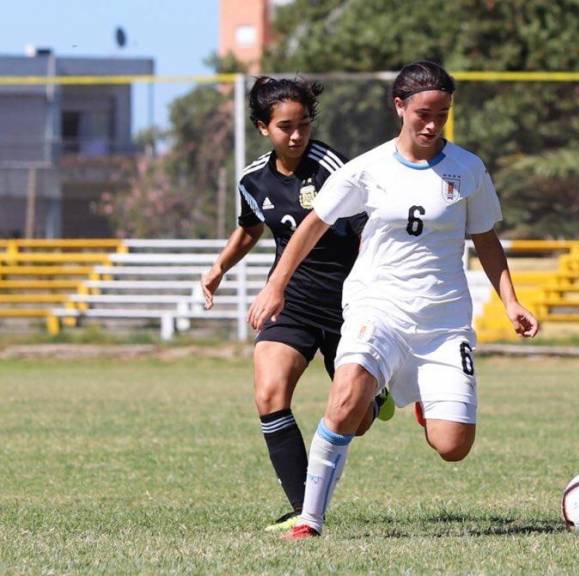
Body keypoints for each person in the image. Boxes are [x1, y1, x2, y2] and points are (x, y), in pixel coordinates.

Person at [247, 60, 540, 540]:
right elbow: (312, 226)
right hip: (375, 308)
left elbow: (485, 239)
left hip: (443, 321)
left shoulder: (468, 169)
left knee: (453, 445)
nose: (431, 124)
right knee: (344, 403)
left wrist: (511, 302)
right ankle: (309, 519)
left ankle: (422, 394)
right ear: (399, 106)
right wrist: (275, 284)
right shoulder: (367, 169)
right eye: (423, 113)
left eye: (442, 114)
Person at [201, 76, 391, 533]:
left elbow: (369, 224)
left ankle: (378, 392)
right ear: (263, 127)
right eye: (285, 126)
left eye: (304, 124)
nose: (297, 135)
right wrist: (219, 267)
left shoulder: (331, 166)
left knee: (359, 420)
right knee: (269, 393)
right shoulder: (252, 178)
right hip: (293, 297)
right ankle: (301, 510)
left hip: (349, 301)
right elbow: (250, 228)